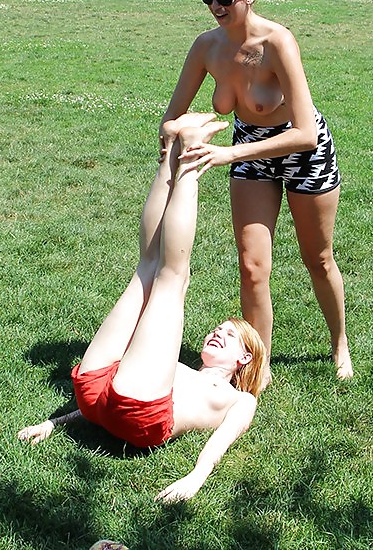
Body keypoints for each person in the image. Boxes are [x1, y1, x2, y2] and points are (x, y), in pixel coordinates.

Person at [18, 115, 267, 503]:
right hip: (96, 396)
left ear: (245, 357)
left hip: (140, 414)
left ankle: (189, 153)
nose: (217, 332)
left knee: (171, 276)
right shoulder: (176, 368)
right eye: (219, 328)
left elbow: (223, 440)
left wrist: (195, 478)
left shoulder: (241, 399)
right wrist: (54, 423)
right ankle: (172, 149)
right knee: (150, 270)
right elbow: (118, 388)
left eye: (230, 335)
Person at [160, 0, 353, 384]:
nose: (214, 5)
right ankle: (257, 370)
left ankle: (339, 342)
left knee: (317, 258)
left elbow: (303, 133)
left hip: (304, 153)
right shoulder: (206, 47)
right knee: (251, 266)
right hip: (250, 152)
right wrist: (178, 137)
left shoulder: (278, 42)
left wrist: (227, 152)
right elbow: (171, 117)